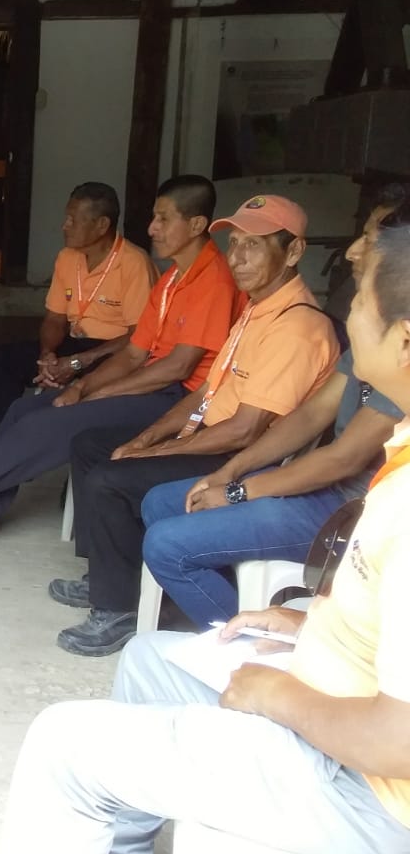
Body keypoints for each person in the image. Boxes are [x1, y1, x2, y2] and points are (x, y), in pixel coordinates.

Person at [0, 206, 410, 854]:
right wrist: (308, 623)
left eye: (359, 301)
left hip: (367, 792)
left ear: (405, 341)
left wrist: (277, 695)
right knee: (147, 658)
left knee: (61, 742)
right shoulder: (397, 459)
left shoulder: (402, 503)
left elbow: (399, 740)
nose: (348, 316)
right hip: (336, 688)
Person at [0, 175, 236, 551]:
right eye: (154, 217)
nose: (152, 228)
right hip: (150, 382)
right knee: (22, 409)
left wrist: (98, 394)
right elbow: (134, 353)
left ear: (197, 224)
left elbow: (177, 368)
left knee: (44, 422)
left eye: (163, 219)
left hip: (179, 401)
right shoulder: (173, 278)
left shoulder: (213, 281)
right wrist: (82, 385)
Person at [48, 194, 340, 656]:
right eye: (234, 243)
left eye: (254, 245)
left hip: (243, 458)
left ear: (294, 252)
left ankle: (118, 608)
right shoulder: (256, 309)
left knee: (110, 479)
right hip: (211, 436)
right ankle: (109, 575)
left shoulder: (296, 326)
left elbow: (245, 430)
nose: (237, 257)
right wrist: (146, 437)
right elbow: (206, 392)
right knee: (91, 445)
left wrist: (153, 453)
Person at [140, 188, 407, 627]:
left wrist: (238, 491)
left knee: (166, 544)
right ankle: (221, 602)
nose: (353, 251)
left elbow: (344, 457)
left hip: (353, 508)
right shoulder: (367, 332)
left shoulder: (393, 350)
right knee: (162, 502)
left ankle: (254, 642)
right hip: (326, 490)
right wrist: (231, 472)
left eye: (371, 239)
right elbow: (311, 415)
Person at [0, 182, 156, 423]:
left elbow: (139, 336)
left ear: (102, 225)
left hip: (113, 351)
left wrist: (78, 362)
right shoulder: (67, 257)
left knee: (97, 380)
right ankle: (8, 431)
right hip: (75, 343)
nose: (64, 226)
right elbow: (55, 318)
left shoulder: (134, 263)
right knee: (1, 359)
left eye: (73, 220)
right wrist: (47, 354)